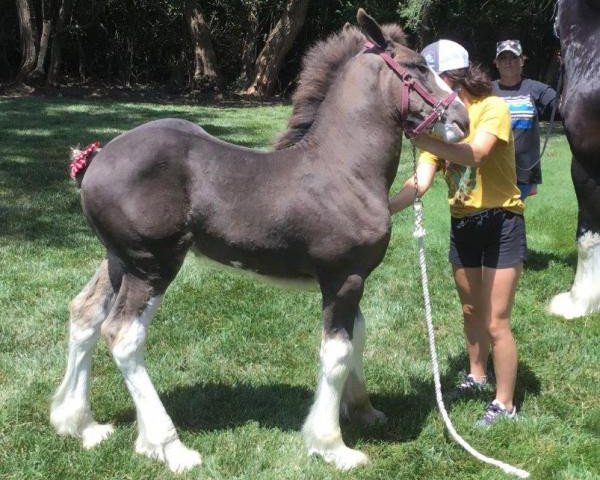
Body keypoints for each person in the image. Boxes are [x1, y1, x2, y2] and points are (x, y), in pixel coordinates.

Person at [390, 39, 525, 426]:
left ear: (454, 78)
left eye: (435, 80)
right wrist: (382, 210)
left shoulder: (492, 108)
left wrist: (425, 139)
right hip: (463, 224)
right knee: (471, 310)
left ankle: (505, 404)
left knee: (496, 319)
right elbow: (420, 180)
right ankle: (477, 375)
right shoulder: (440, 123)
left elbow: (477, 154)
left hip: (502, 221)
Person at [492, 39, 559, 200]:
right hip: (493, 168)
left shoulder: (536, 88)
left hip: (524, 171)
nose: (508, 62)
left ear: (522, 61)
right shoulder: (486, 90)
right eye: (503, 57)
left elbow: (563, 105)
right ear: (496, 63)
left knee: (511, 214)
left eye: (513, 57)